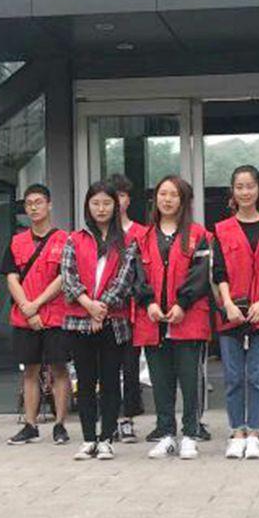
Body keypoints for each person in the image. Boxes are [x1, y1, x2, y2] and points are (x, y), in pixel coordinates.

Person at [212, 165, 259, 460]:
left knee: (257, 376)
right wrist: (228, 303)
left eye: (250, 186)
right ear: (233, 192)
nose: (245, 192)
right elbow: (219, 270)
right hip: (231, 310)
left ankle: (255, 431)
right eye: (239, 187)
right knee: (233, 376)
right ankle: (236, 432)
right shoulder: (221, 229)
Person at [132, 176, 211, 460]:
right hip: (153, 320)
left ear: (183, 200)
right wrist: (149, 302)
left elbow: (201, 274)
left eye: (173, 195)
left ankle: (190, 433)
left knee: (190, 380)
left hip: (187, 319)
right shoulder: (142, 237)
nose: (167, 199)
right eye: (162, 194)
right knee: (160, 381)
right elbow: (137, 275)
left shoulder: (199, 235)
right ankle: (166, 434)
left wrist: (182, 304)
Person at [61, 181, 137, 461]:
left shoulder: (127, 241)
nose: (101, 209)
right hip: (80, 321)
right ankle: (88, 438)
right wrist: (89, 306)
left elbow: (125, 280)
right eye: (96, 203)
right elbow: (68, 277)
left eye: (106, 203)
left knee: (110, 381)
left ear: (116, 206)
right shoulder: (75, 239)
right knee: (85, 381)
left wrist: (100, 309)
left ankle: (106, 438)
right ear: (87, 207)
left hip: (112, 322)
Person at [4, 185, 72, 446]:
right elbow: (11, 277)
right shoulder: (16, 241)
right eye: (29, 203)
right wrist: (27, 307)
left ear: (49, 205)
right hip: (25, 318)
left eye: (39, 202)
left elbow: (64, 277)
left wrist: (37, 304)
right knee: (30, 370)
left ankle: (60, 424)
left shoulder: (65, 240)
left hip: (56, 316)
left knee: (59, 369)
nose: (33, 207)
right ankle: (30, 425)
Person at [109, 173, 148, 444]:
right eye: (112, 196)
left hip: (133, 312)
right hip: (104, 312)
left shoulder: (142, 233)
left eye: (121, 195)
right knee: (106, 369)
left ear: (128, 200)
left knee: (130, 368)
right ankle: (108, 419)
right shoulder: (97, 234)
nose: (117, 201)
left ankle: (127, 420)